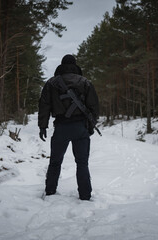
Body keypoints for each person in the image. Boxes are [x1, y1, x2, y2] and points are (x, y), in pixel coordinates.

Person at [38, 54, 99, 200]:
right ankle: (85, 195)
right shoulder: (85, 82)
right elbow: (94, 107)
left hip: (61, 127)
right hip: (80, 127)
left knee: (55, 162)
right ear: (75, 65)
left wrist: (43, 126)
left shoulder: (51, 83)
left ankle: (50, 192)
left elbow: (44, 106)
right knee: (82, 163)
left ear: (61, 65)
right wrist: (90, 126)